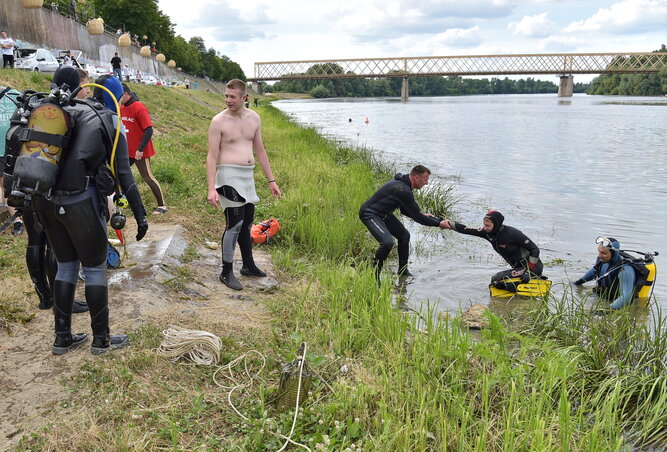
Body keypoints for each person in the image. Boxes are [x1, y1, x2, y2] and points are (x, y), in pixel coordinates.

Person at [32, 67, 148, 355]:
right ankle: (101, 340)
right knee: (95, 269)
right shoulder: (105, 118)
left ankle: (62, 338)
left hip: (46, 201)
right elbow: (124, 174)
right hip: (80, 202)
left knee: (66, 265)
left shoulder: (55, 111)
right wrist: (141, 215)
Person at [206, 78, 281, 290]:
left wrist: (271, 180)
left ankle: (248, 265)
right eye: (226, 96)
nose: (228, 100)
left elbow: (260, 150)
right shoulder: (218, 121)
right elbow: (212, 156)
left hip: (247, 176)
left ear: (244, 97)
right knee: (235, 223)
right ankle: (226, 271)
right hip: (228, 176)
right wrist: (211, 187)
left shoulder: (254, 118)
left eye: (232, 97)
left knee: (247, 222)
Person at [359, 165, 448, 281]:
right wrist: (439, 224)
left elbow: (405, 210)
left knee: (404, 236)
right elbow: (418, 218)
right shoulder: (403, 189)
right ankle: (374, 275)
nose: (426, 183)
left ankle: (403, 271)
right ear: (416, 178)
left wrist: (425, 216)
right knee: (387, 243)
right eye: (425, 180)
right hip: (370, 214)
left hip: (384, 214)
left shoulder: (405, 185)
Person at [443, 210, 543, 292]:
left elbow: (535, 250)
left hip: (532, 268)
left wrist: (528, 273)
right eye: (484, 225)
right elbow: (465, 229)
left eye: (487, 225)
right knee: (498, 282)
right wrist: (446, 223)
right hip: (518, 269)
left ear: (496, 225)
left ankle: (531, 280)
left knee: (496, 279)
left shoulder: (512, 233)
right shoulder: (488, 233)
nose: (485, 228)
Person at [119, 83, 167, 214]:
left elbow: (149, 130)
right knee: (119, 175)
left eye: (119, 96)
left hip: (140, 151)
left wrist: (140, 149)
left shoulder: (139, 108)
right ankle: (121, 200)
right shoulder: (121, 106)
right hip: (126, 150)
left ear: (126, 94)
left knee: (148, 177)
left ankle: (162, 205)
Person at [573, 237, 637, 310]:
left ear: (613, 253)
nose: (599, 255)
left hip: (618, 304)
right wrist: (578, 283)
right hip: (603, 297)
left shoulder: (625, 271)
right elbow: (595, 270)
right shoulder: (602, 260)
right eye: (599, 251)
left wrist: (605, 311)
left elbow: (626, 298)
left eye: (603, 253)